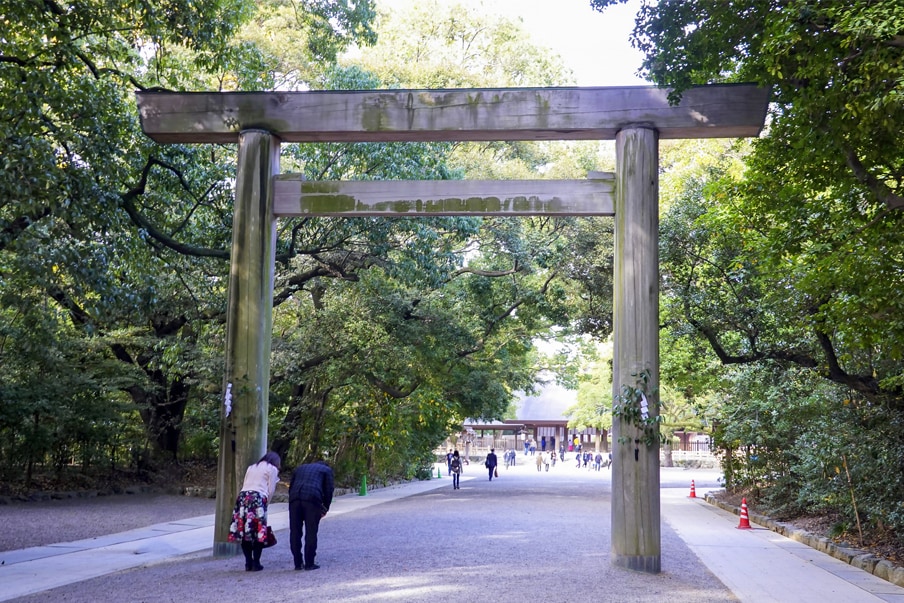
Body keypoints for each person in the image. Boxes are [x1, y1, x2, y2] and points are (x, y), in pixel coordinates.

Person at [228, 451, 281, 572]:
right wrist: (266, 503)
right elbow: (271, 489)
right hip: (258, 497)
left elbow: (244, 483)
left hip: (243, 497)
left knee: (244, 530)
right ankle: (256, 562)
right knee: (258, 532)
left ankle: (248, 562)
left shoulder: (251, 467)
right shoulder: (272, 468)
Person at [288, 458, 335, 571]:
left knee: (295, 531)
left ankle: (297, 563)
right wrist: (325, 508)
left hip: (295, 498)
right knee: (311, 531)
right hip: (312, 499)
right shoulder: (326, 470)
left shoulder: (300, 468)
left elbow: (291, 487)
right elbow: (329, 490)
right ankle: (309, 563)